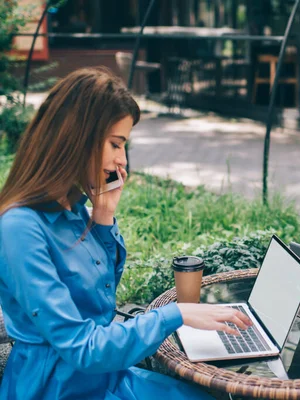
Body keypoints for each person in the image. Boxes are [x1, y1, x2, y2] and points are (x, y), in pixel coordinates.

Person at [0, 67, 252, 399]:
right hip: (58, 386)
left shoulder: (72, 205)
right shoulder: (20, 229)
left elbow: (99, 298)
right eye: (116, 144)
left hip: (104, 376)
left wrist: (104, 214)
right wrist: (174, 314)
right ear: (78, 137)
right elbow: (83, 348)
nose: (122, 159)